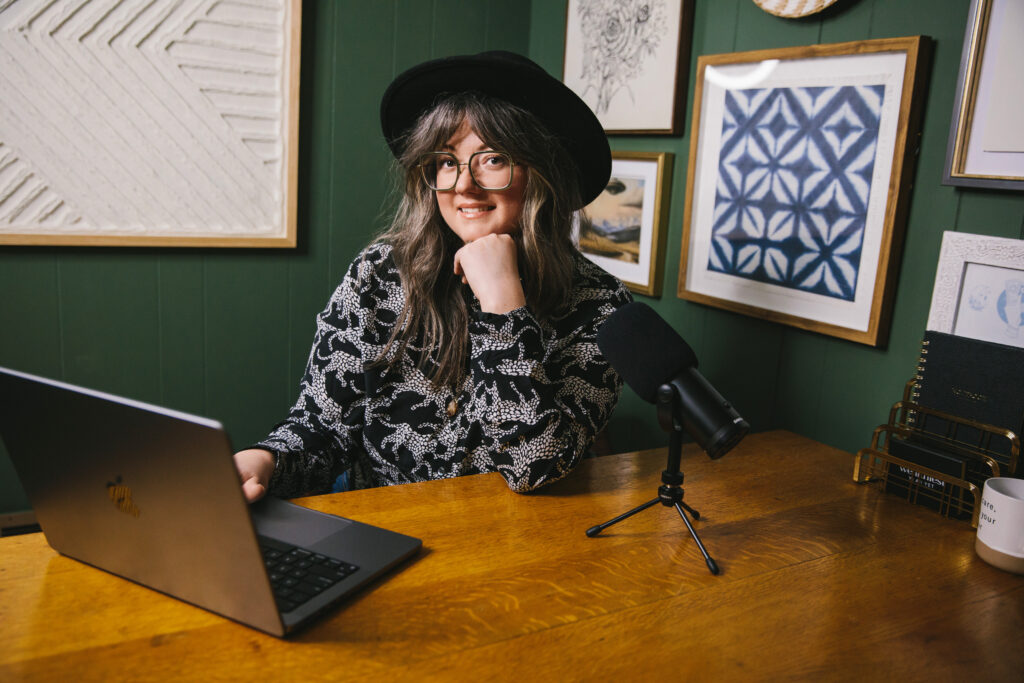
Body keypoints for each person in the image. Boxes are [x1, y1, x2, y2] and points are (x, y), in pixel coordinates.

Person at [234, 51, 632, 502]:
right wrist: (264, 459)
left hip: (520, 549)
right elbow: (322, 425)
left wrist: (503, 299)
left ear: (544, 173)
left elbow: (534, 466)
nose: (464, 184)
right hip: (385, 531)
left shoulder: (602, 307)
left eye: (493, 159)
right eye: (446, 161)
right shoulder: (380, 274)